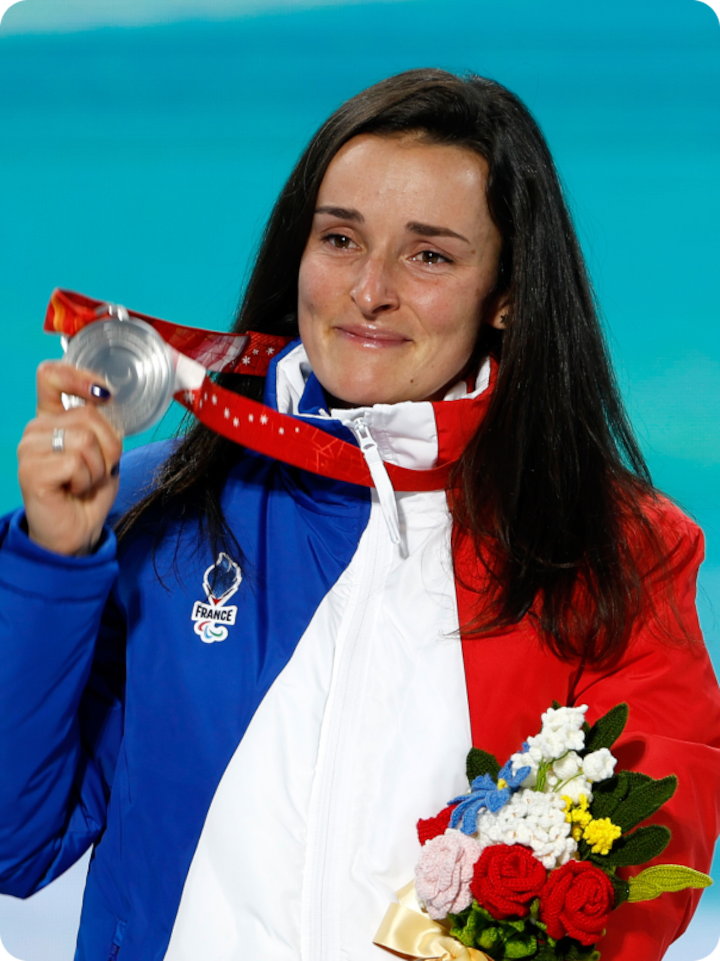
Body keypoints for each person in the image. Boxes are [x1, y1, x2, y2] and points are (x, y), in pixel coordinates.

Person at [1, 69, 719, 961]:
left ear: (507, 292)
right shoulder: (161, 508)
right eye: (340, 238)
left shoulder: (612, 545)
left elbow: (655, 866)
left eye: (430, 255)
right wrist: (54, 561)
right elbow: (14, 843)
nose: (367, 290)